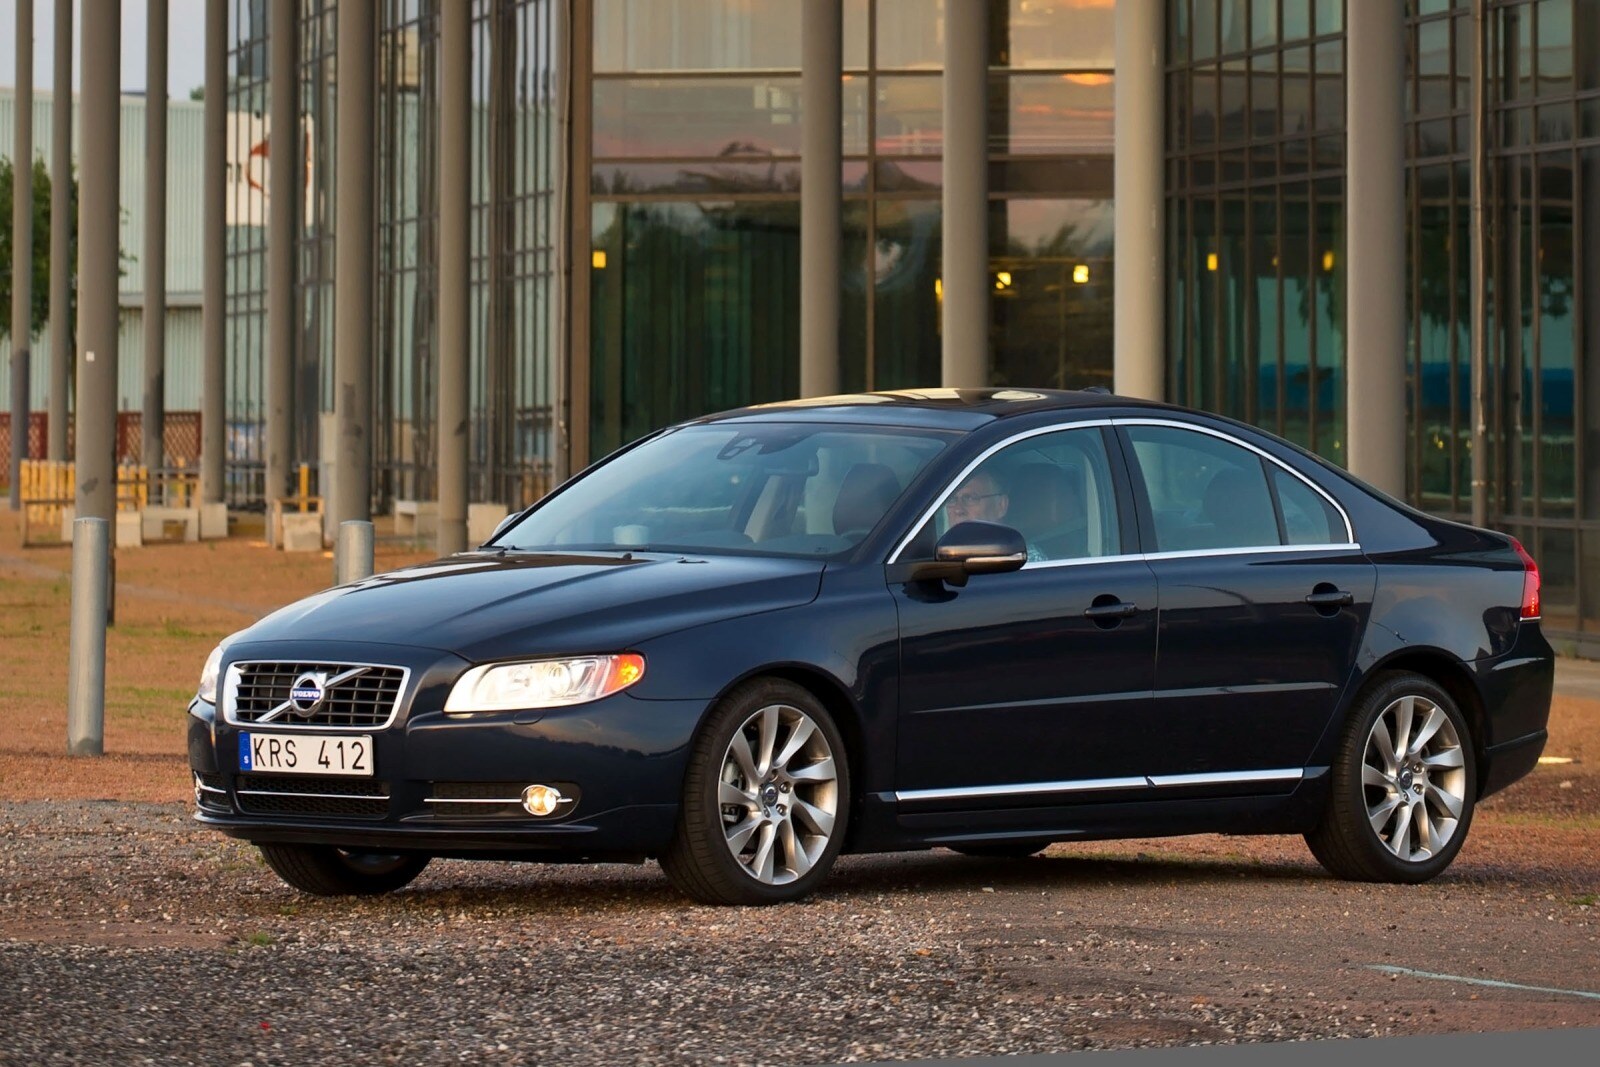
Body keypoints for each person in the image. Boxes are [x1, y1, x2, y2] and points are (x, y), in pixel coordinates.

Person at [942, 468, 1045, 562]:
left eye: (971, 498)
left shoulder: (1023, 558)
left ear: (1001, 506)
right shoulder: (940, 555)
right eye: (952, 499)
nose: (958, 509)